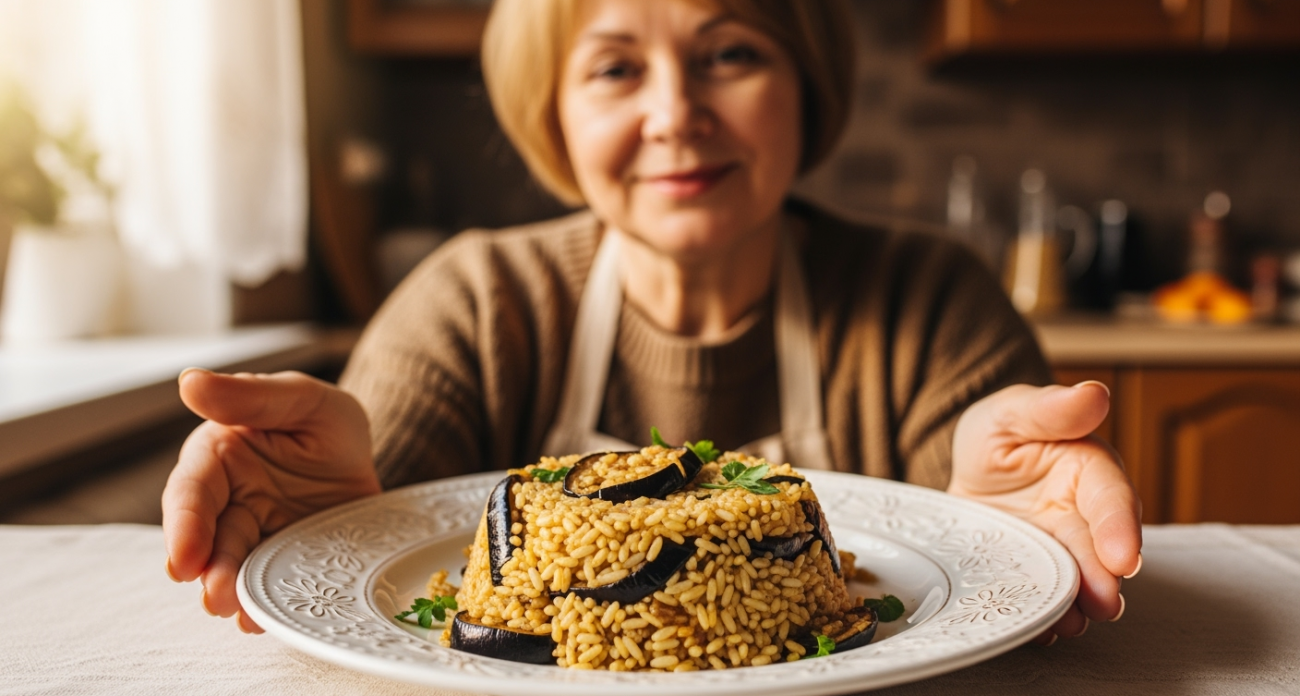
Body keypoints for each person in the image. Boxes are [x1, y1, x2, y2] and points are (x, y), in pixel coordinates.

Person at [162, 0, 1141, 648]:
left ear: (805, 83)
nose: (676, 113)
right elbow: (383, 547)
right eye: (614, 70)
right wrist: (337, 517)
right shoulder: (473, 300)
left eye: (730, 54)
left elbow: (976, 547)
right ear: (554, 118)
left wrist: (998, 524)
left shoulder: (930, 296)